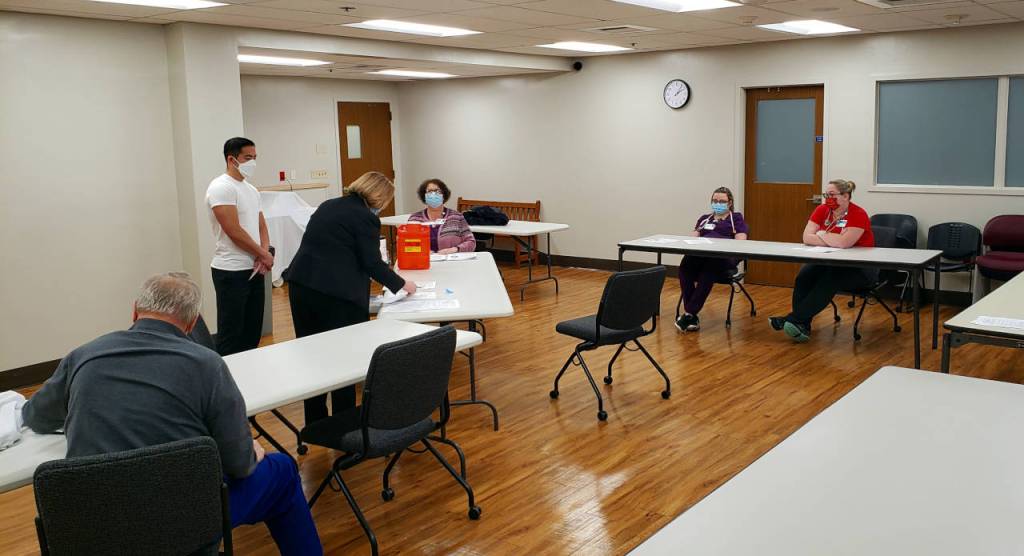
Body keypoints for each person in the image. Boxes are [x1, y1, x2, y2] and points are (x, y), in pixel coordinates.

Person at [21, 273, 322, 556]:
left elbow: (35, 416)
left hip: (94, 524)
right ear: (191, 325)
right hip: (185, 520)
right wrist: (249, 451)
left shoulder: (83, 355)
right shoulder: (207, 365)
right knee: (281, 469)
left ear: (135, 311)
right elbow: (240, 465)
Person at [284, 171, 416, 425]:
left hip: (302, 285)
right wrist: (402, 284)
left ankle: (315, 423)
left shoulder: (329, 205)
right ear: (380, 196)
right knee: (343, 357)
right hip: (336, 295)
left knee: (311, 355)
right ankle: (343, 423)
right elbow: (370, 262)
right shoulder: (365, 217)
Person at [769, 179, 876, 342]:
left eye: (832, 195)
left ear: (846, 196)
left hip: (858, 269)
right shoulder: (822, 210)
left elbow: (844, 243)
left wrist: (821, 234)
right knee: (804, 275)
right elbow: (806, 237)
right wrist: (832, 237)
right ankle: (801, 324)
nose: (828, 198)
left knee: (830, 279)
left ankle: (792, 320)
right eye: (826, 194)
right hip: (829, 261)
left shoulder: (858, 214)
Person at [206, 137, 273, 356]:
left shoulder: (251, 190)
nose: (252, 162)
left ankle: (250, 382)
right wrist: (263, 254)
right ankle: (226, 385)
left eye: (255, 157)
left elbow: (261, 224)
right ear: (231, 159)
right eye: (247, 158)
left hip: (254, 269)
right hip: (231, 270)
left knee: (252, 332)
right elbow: (233, 230)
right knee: (231, 334)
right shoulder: (221, 187)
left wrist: (263, 252)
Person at [675, 187, 749, 332]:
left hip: (723, 258)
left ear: (730, 203)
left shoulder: (736, 218)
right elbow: (692, 238)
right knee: (685, 266)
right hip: (702, 254)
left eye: (722, 201)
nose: (718, 203)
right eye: (715, 201)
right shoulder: (704, 219)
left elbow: (741, 241)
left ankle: (690, 312)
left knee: (709, 268)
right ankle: (691, 315)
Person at [407, 178, 476, 254]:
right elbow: (407, 245)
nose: (433, 194)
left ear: (443, 195)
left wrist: (455, 249)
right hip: (423, 262)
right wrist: (421, 251)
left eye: (438, 191)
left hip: (451, 262)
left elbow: (471, 242)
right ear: (424, 196)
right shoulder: (415, 219)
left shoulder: (456, 217)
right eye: (429, 191)